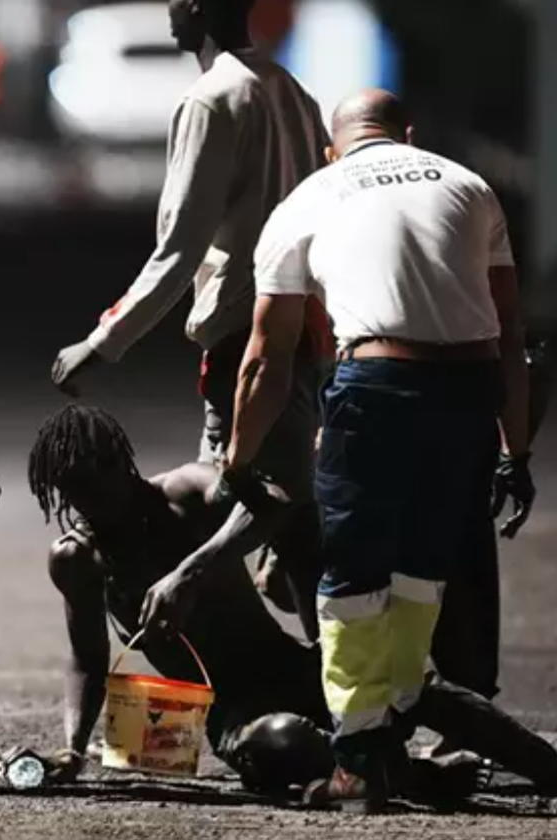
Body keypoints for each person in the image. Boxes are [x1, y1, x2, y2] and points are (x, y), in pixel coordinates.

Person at [222, 89, 535, 811]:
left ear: (334, 147)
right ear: (406, 135)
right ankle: (394, 730)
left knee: (352, 579)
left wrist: (238, 461)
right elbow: (510, 331)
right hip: (469, 390)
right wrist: (515, 452)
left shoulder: (309, 198)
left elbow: (266, 358)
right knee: (423, 569)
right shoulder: (467, 183)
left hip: (378, 385)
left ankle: (361, 762)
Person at [26, 404, 557, 800]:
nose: (91, 503)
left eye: (99, 482)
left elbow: (275, 501)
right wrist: (74, 749)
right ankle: (418, 779)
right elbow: (87, 660)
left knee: (414, 687)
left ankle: (545, 765)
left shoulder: (185, 495)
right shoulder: (78, 558)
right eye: (75, 492)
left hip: (291, 666)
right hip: (232, 711)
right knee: (274, 743)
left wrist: (191, 570)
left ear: (124, 463)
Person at [48, 0, 331, 639]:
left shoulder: (210, 100)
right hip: (301, 319)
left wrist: (101, 341)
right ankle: (274, 676)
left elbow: (179, 247)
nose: (168, 11)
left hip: (247, 328)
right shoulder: (293, 91)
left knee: (275, 510)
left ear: (200, 9)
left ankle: (336, 702)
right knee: (247, 509)